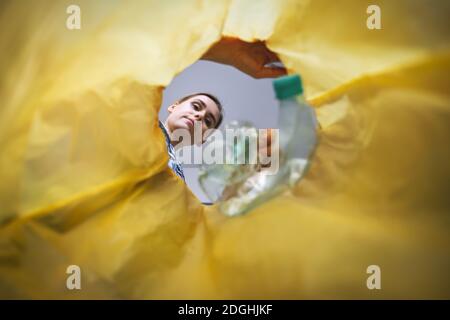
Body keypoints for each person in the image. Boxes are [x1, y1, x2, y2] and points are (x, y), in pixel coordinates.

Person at [160, 37, 286, 180]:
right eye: (196, 106)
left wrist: (251, 177)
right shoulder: (137, 119)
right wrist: (218, 50)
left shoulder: (175, 178)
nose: (200, 116)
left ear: (203, 138)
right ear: (173, 106)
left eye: (208, 121)